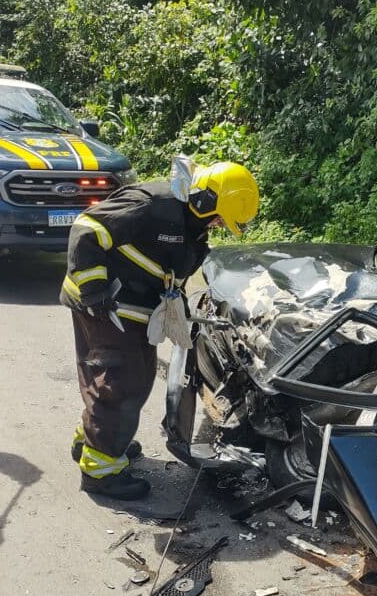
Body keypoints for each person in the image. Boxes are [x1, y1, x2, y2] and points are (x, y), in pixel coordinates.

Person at [60, 159, 259, 500]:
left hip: (132, 308)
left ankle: (97, 440)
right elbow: (86, 229)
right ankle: (100, 472)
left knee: (131, 377)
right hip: (104, 303)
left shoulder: (192, 221)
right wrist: (95, 289)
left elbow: (170, 264)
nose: (218, 225)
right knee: (120, 383)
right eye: (218, 218)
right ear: (206, 200)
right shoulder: (151, 206)